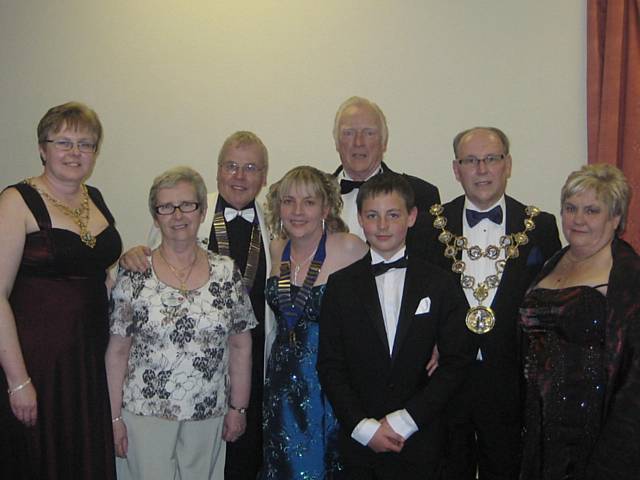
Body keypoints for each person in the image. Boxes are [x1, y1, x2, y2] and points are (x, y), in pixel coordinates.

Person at [120, 131, 271, 479]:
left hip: (251, 362)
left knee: (240, 463)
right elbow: (149, 265)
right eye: (231, 166)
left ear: (264, 176)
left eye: (250, 167)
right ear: (218, 171)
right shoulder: (184, 210)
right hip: (183, 381)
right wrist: (128, 256)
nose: (239, 176)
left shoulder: (276, 222)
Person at [425, 127, 562, 479]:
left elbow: (552, 301)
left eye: (491, 159)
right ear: (456, 170)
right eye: (471, 160)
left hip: (511, 379)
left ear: (508, 165)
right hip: (447, 377)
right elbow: (419, 297)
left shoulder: (541, 226)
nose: (482, 169)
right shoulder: (429, 225)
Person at [317, 172, 473, 479]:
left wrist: (406, 420)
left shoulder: (440, 283)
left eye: (393, 215)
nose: (383, 225)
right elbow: (330, 365)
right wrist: (363, 428)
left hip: (424, 437)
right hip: (361, 440)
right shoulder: (340, 286)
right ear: (360, 219)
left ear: (412, 217)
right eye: (373, 216)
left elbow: (456, 360)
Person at [0, 101, 122, 479]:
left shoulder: (95, 197)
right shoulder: (15, 201)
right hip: (38, 363)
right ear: (42, 148)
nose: (75, 152)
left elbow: (95, 272)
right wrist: (18, 381)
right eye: (64, 142)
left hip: (89, 361)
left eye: (86, 144)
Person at [519, 164, 640, 480]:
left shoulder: (628, 276)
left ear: (615, 218)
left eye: (592, 210)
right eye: (571, 209)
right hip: (540, 422)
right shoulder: (553, 261)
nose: (578, 219)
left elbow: (635, 377)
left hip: (596, 429)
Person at [260, 166, 368, 479]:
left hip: (327, 385)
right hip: (280, 383)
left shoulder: (348, 247)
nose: (297, 211)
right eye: (288, 201)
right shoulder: (277, 249)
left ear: (325, 207)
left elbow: (390, 294)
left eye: (308, 202)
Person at [331, 96, 440, 252]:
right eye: (349, 133)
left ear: (384, 142)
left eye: (369, 133)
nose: (358, 142)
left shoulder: (421, 194)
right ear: (336, 141)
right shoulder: (312, 196)